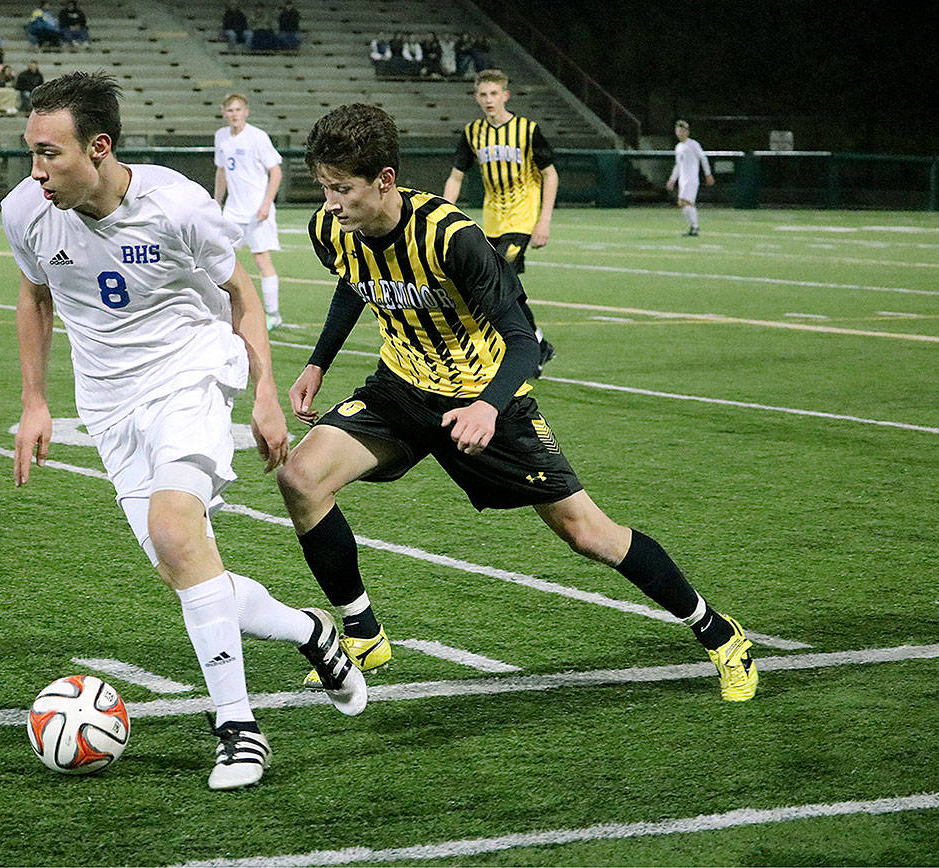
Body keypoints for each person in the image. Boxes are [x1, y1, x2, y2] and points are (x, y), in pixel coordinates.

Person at [275, 102, 758, 705]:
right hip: (399, 390)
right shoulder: (330, 229)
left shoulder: (453, 238)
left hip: (485, 399)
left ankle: (717, 631)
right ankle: (362, 631)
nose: (331, 203)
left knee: (590, 534)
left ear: (386, 181)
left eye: (342, 189)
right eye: (324, 188)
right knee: (301, 478)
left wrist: (487, 406)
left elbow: (526, 341)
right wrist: (317, 363)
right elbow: (354, 281)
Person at [3, 72, 367, 790]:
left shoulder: (177, 206)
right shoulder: (26, 212)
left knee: (175, 530)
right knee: (186, 567)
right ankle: (311, 634)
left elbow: (240, 295)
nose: (37, 171)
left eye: (51, 154)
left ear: (99, 147)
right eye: (32, 153)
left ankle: (238, 729)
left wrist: (264, 391)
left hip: (191, 374)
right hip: (109, 406)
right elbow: (35, 295)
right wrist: (36, 400)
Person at [443, 69, 557, 376]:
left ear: (505, 95)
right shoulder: (472, 133)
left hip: (522, 217)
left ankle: (527, 348)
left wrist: (543, 221)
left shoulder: (527, 130)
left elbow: (550, 173)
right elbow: (456, 176)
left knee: (499, 278)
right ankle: (537, 344)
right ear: (476, 98)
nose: (488, 100)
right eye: (483, 94)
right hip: (491, 220)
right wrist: (443, 213)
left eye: (494, 94)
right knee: (495, 285)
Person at [213, 93, 284, 329]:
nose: (234, 114)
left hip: (256, 211)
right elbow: (221, 171)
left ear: (246, 112)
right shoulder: (221, 137)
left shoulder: (257, 137)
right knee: (218, 256)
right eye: (230, 110)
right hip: (233, 211)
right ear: (224, 113)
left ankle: (273, 314)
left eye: (238, 110)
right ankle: (220, 309)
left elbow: (276, 172)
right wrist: (216, 201)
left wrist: (266, 204)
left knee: (262, 260)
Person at [667, 120, 714, 237]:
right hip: (683, 180)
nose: (680, 133)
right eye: (678, 131)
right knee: (682, 203)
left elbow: (703, 158)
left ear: (687, 132)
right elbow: (678, 165)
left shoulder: (693, 144)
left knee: (686, 202)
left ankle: (695, 227)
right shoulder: (678, 147)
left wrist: (708, 174)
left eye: (683, 131)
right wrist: (672, 179)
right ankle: (693, 227)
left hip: (691, 179)